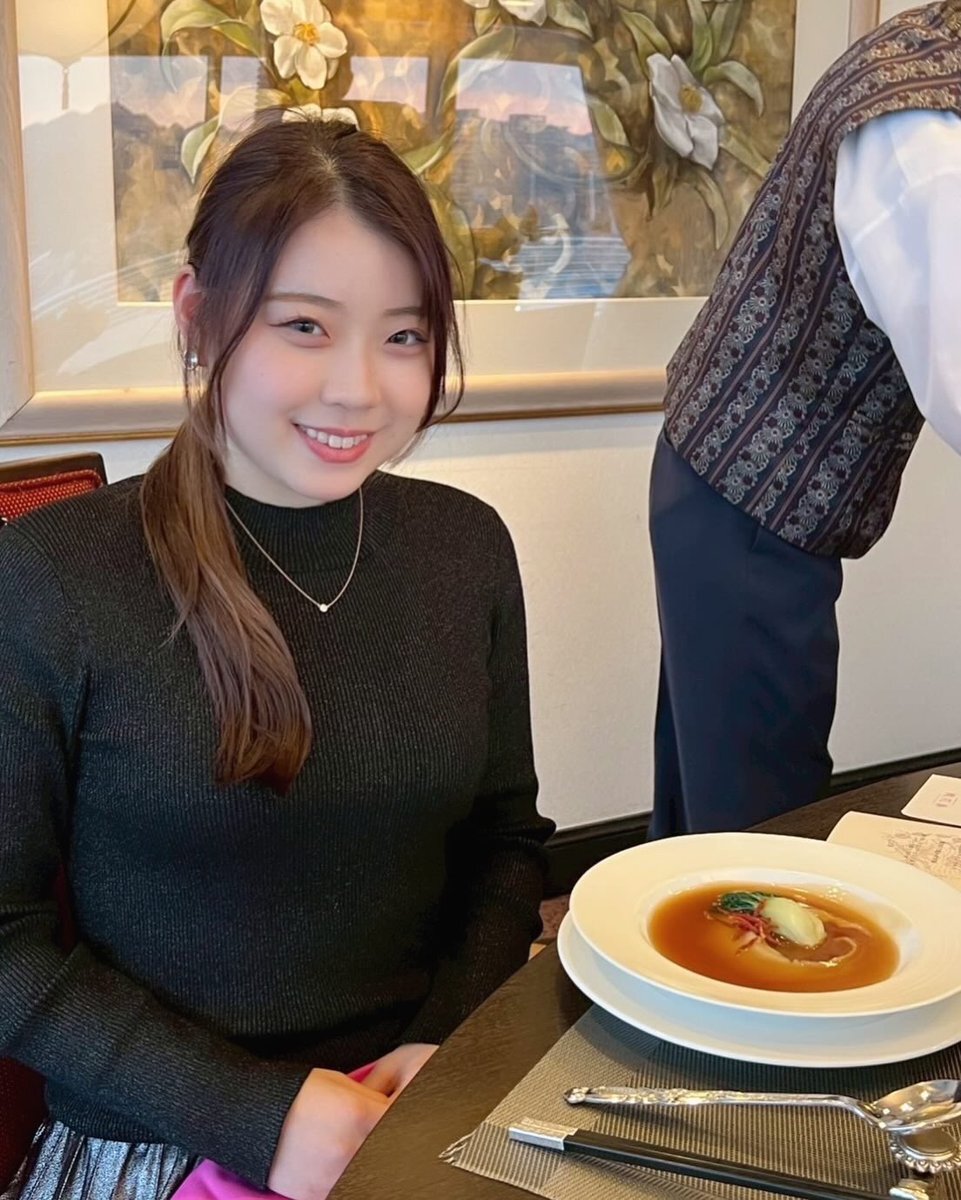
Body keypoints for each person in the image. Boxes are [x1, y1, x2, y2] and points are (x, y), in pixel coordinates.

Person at [0, 114, 553, 1200]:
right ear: (196, 316)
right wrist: (257, 1116)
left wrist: (444, 1044)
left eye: (403, 336)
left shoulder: (464, 545)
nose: (358, 389)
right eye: (304, 325)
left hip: (415, 1105)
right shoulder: (53, 575)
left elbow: (507, 840)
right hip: (166, 1131)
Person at [649, 1, 961, 838]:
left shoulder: (920, 67)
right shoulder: (925, 129)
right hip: (755, 497)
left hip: (726, 474)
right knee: (761, 817)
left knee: (711, 785)